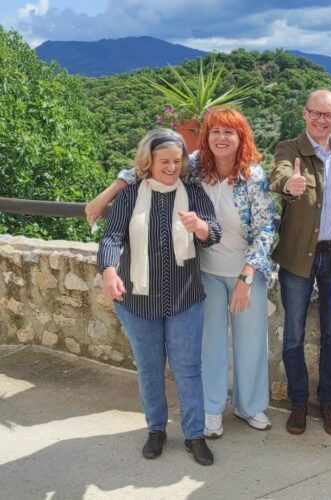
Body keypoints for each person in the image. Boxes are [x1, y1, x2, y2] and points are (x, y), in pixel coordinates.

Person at [87, 109, 276, 439]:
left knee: (251, 343)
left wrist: (246, 276)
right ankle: (212, 410)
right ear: (206, 137)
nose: (221, 138)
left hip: (246, 270)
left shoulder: (254, 176)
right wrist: (111, 190)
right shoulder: (196, 166)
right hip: (205, 273)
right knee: (210, 347)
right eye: (215, 131)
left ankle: (251, 406)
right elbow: (146, 167)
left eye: (229, 133)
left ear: (241, 137)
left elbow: (264, 229)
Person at [96, 128, 221, 466]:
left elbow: (214, 233)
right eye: (163, 161)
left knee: (188, 370)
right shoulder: (129, 195)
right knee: (150, 370)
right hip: (137, 300)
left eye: (177, 161)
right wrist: (109, 271)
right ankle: (156, 430)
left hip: (185, 299)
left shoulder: (192, 193)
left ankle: (194, 435)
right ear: (148, 161)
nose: (170, 167)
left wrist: (201, 227)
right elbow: (110, 239)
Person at [269, 89, 331, 436]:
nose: (322, 120)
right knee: (293, 333)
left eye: (329, 115)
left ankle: (329, 402)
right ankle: (299, 402)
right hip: (297, 256)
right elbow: (279, 177)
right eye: (316, 113)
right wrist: (290, 185)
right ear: (304, 114)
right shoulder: (289, 149)